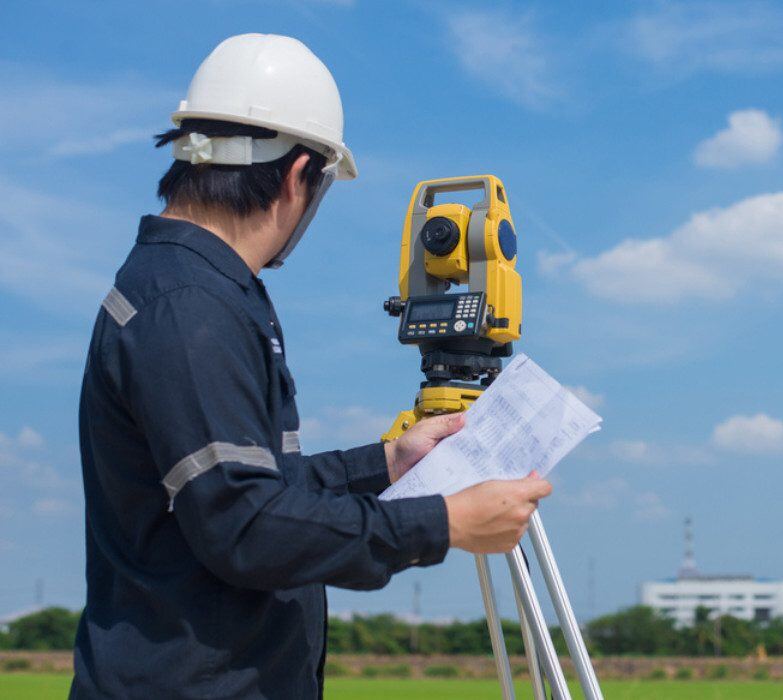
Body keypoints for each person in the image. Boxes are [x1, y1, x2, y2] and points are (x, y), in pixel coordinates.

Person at [70, 34, 551, 698]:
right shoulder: (190, 307)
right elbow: (246, 527)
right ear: (299, 176)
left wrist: (385, 463)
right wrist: (446, 523)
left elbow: (253, 487)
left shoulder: (193, 289)